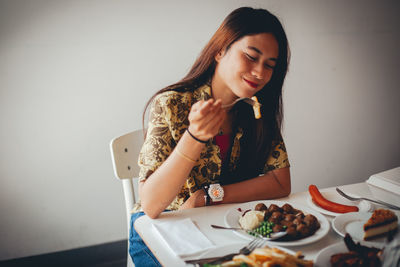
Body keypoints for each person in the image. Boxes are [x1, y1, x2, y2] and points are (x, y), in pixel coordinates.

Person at [129, 6, 291, 266]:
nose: (260, 73)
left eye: (269, 65)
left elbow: (281, 183)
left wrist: (208, 195)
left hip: (225, 224)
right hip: (162, 228)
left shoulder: (257, 111)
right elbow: (151, 205)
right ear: (220, 50)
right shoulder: (171, 104)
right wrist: (194, 137)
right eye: (251, 56)